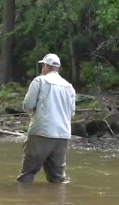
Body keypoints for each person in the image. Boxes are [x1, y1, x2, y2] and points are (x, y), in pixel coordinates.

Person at [17, 53, 76, 184]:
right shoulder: (69, 86)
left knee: (27, 174)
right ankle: (58, 197)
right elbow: (72, 112)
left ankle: (22, 196)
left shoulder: (39, 81)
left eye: (43, 66)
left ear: (45, 66)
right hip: (63, 136)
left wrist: (32, 115)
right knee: (57, 178)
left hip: (41, 133)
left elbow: (28, 105)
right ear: (58, 68)